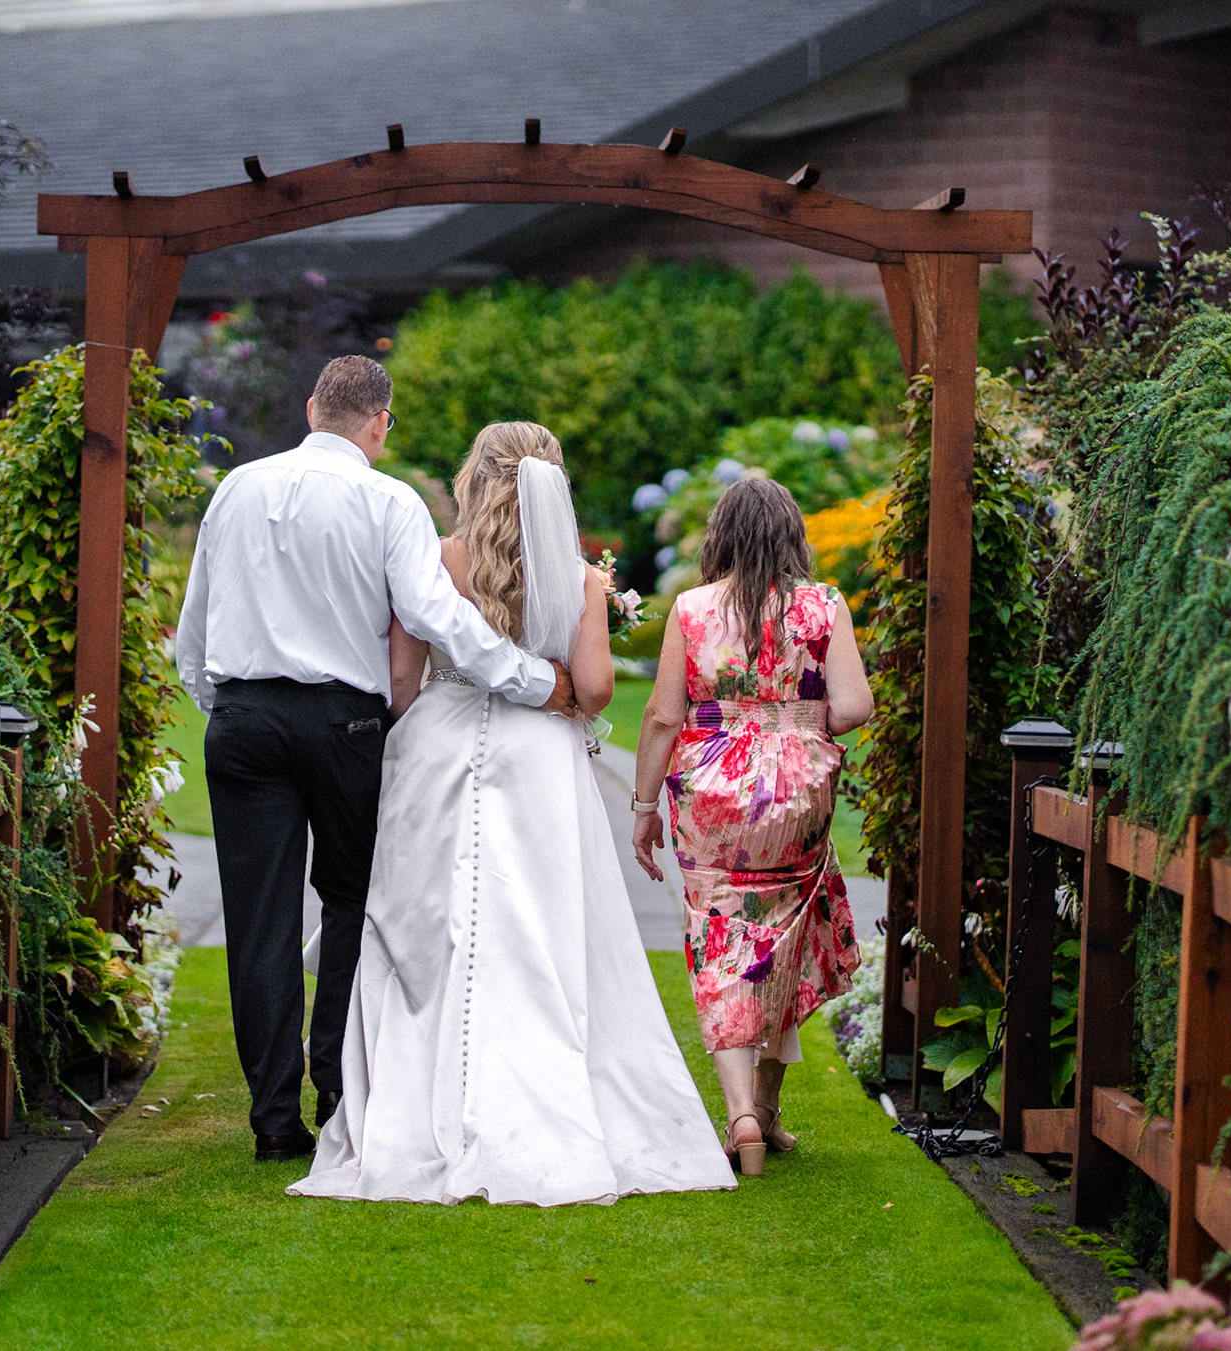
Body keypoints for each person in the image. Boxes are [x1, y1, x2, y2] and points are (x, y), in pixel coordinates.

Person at [289, 422, 733, 1206]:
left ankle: (413, 1104)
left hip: (436, 747)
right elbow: (595, 687)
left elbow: (402, 678)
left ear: (475, 476)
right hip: (540, 762)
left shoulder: (438, 559)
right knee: (539, 932)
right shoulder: (579, 577)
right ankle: (542, 1094)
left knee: (426, 932)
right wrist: (559, 665)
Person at [174, 358, 578, 1162]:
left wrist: (226, 705)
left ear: (311, 407)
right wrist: (533, 680)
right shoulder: (390, 501)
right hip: (343, 723)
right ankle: (337, 1087)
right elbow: (434, 616)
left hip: (245, 721)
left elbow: (196, 625)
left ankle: (273, 1119)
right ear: (379, 425)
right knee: (352, 900)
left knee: (258, 920)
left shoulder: (237, 488)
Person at [630, 476, 872, 1176]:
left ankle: (744, 1117)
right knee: (785, 937)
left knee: (722, 940)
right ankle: (765, 1107)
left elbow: (664, 715)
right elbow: (854, 706)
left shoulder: (692, 608)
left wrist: (643, 807)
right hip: (798, 798)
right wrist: (795, 725)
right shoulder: (824, 606)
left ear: (722, 537)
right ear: (793, 534)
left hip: (713, 799)